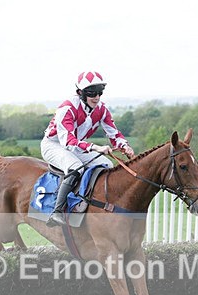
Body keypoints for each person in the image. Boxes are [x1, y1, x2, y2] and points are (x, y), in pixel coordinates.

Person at [40, 71, 135, 227]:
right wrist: (95, 147)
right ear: (80, 93)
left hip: (76, 146)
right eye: (92, 93)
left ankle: (90, 202)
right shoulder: (67, 109)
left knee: (107, 165)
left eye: (100, 92)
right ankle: (57, 212)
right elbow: (68, 142)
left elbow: (113, 133)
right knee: (75, 167)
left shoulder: (102, 109)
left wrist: (125, 146)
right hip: (54, 145)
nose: (97, 97)